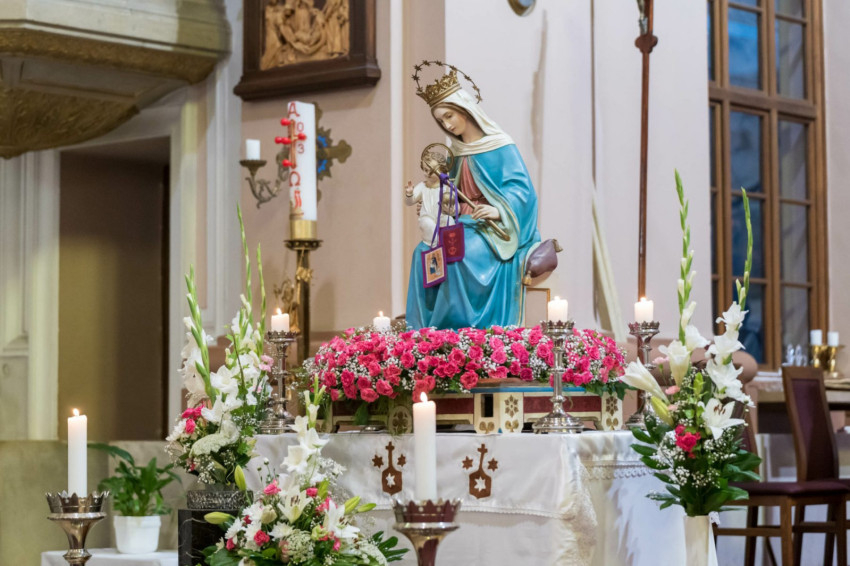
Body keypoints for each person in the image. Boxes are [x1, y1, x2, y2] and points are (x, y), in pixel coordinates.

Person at [405, 70, 541, 329]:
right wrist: (440, 203)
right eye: (441, 121)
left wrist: (497, 210)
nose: (447, 125)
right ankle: (424, 330)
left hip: (491, 228)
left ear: (464, 109)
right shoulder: (456, 152)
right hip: (461, 222)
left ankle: (461, 329)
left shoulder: (500, 145)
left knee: (456, 252)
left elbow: (523, 192)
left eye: (449, 116)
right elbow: (451, 192)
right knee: (422, 251)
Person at [404, 150, 456, 245]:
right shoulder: (422, 186)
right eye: (425, 170)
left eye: (431, 171)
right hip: (427, 217)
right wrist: (409, 194)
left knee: (450, 221)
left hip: (442, 216)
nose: (427, 174)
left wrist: (451, 209)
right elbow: (409, 202)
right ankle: (435, 247)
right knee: (430, 227)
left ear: (441, 170)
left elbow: (454, 205)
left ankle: (449, 246)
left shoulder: (446, 187)